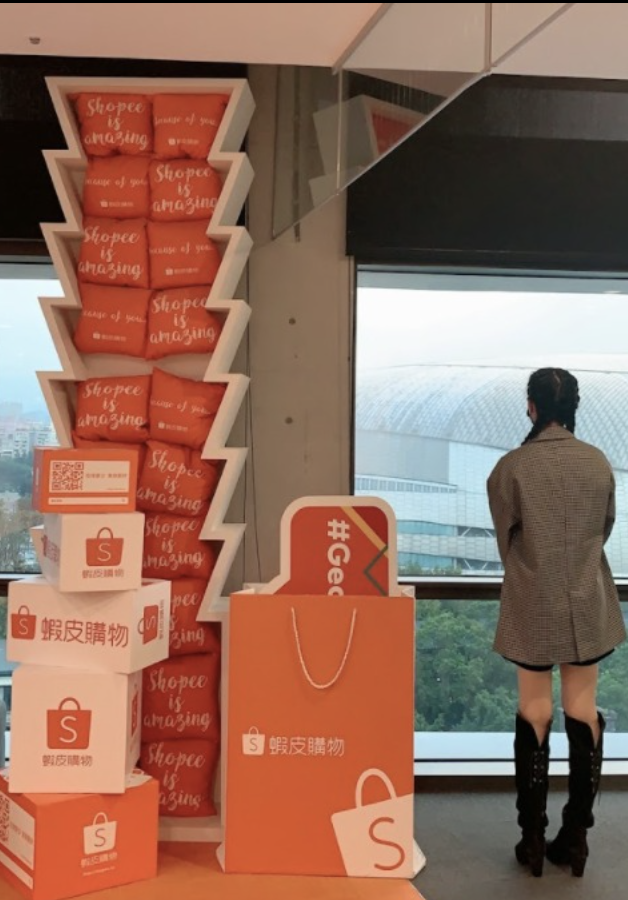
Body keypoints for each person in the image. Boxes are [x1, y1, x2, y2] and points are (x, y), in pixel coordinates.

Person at [487, 367, 626, 879]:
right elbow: (604, 527)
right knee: (583, 711)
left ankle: (532, 838)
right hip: (587, 600)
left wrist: (535, 569)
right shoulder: (598, 462)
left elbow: (505, 538)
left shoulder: (511, 467)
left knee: (535, 711)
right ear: (572, 408)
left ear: (532, 406)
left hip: (531, 600)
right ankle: (576, 838)